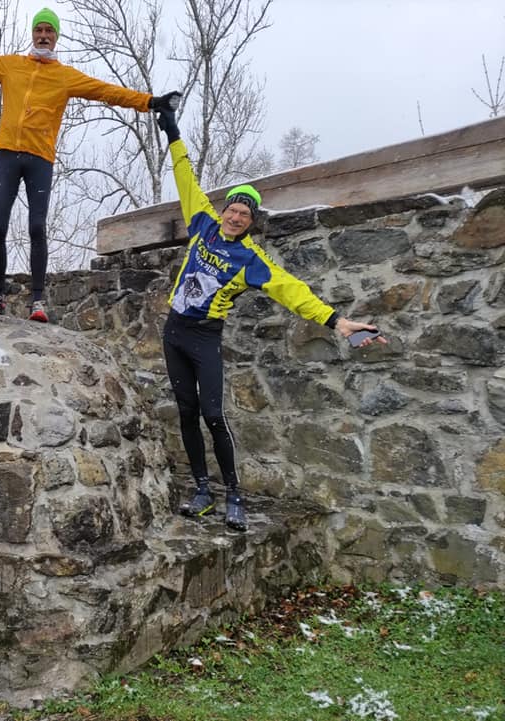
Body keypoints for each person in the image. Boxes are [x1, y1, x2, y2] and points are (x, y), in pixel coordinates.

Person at [153, 105, 387, 533]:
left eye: (245, 214)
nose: (236, 216)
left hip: (205, 338)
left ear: (251, 222)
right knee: (186, 411)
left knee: (213, 415)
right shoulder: (203, 223)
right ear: (225, 210)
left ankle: (233, 495)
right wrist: (172, 132)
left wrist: (337, 321)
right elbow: (186, 178)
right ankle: (203, 490)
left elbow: (292, 290)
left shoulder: (251, 260)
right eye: (233, 209)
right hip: (174, 332)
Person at [0, 7, 181, 323]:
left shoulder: (65, 76)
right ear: (33, 33)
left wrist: (150, 102)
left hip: (40, 159)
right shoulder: (11, 66)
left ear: (56, 36)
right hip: (7, 155)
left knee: (36, 227)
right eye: (39, 30)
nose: (43, 36)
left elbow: (107, 92)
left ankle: (38, 301)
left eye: (49, 31)